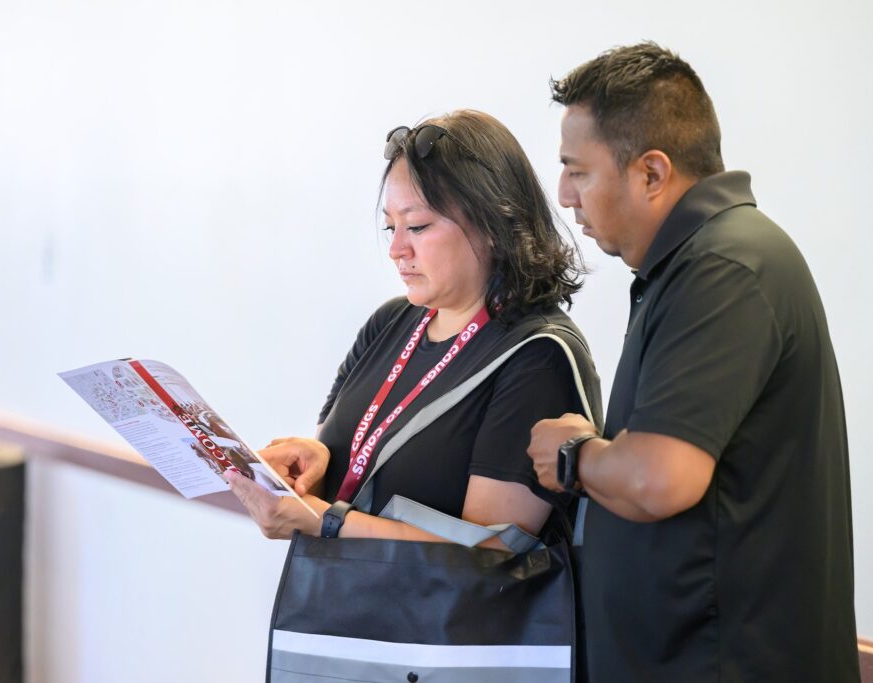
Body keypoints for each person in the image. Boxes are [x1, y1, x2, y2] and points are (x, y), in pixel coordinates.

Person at [527, 43, 859, 682]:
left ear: (651, 173)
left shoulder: (725, 267)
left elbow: (660, 479)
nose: (566, 195)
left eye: (579, 170)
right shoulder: (696, 264)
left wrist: (575, 454)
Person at [227, 109, 600, 555]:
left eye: (418, 226)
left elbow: (490, 556)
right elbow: (357, 471)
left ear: (495, 224)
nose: (397, 250)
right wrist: (316, 458)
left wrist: (325, 523)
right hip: (344, 616)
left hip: (445, 626)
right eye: (391, 226)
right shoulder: (391, 322)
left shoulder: (537, 356)